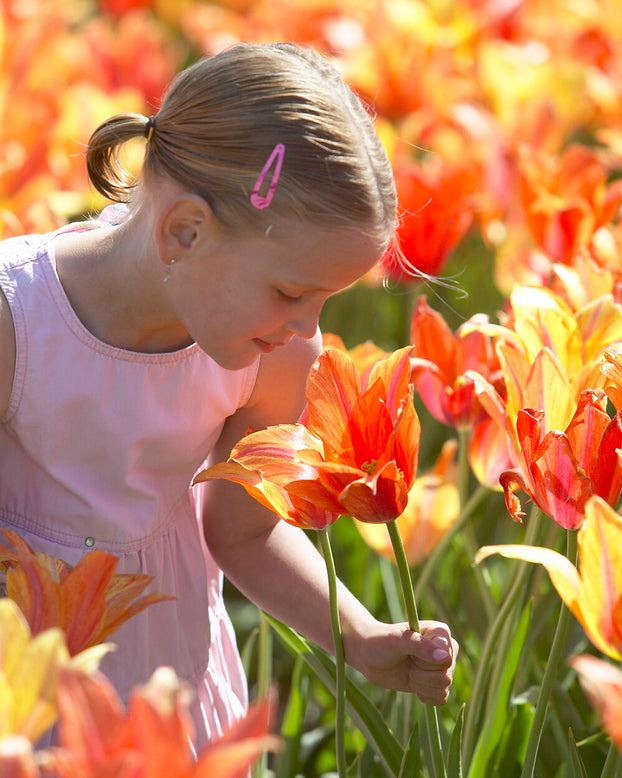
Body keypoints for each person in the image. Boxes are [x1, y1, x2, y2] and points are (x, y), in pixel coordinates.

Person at [0, 42, 457, 750]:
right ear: (185, 229)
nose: (310, 329)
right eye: (290, 292)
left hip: (175, 676)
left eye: (325, 302)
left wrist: (360, 636)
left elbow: (245, 530)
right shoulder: (18, 323)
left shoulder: (273, 353)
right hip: (26, 689)